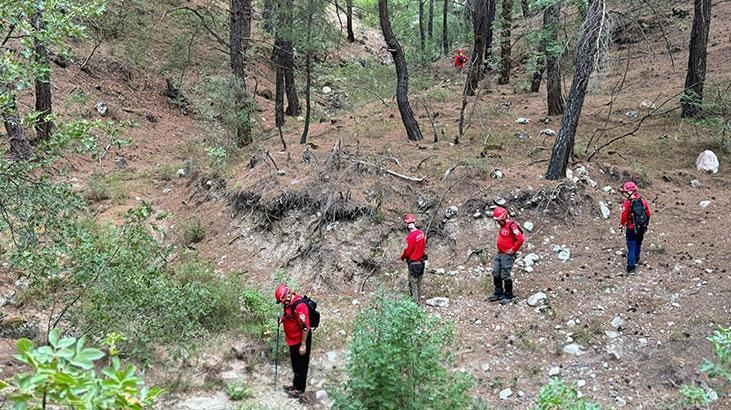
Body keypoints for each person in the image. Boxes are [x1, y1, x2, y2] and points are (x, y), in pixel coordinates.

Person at [275, 284, 312, 398]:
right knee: (295, 364)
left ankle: (300, 390)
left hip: (301, 339)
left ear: (288, 295)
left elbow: (305, 327)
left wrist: (303, 345)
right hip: (292, 339)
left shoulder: (299, 306)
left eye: (282, 300)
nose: (282, 303)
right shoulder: (288, 303)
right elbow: (289, 315)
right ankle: (295, 385)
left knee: (301, 365)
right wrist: (282, 319)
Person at [488, 207, 524, 305]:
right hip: (500, 253)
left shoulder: (512, 226)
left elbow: (520, 239)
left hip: (507, 255)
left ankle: (508, 295)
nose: (498, 223)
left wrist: (513, 249)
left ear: (504, 217)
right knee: (496, 272)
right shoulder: (502, 225)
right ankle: (498, 293)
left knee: (505, 274)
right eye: (497, 221)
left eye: (499, 221)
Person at [619, 181, 651, 273]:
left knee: (631, 246)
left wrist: (621, 225)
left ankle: (631, 266)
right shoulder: (643, 201)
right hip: (641, 227)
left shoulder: (627, 203)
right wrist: (645, 224)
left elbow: (624, 216)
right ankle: (637, 258)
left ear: (628, 192)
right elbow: (648, 213)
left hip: (631, 228)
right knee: (638, 243)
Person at [400, 213, 426, 304]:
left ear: (407, 225)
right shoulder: (421, 233)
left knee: (413, 285)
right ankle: (418, 301)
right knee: (418, 284)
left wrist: (402, 257)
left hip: (414, 264)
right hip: (421, 263)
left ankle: (415, 305)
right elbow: (423, 247)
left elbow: (407, 251)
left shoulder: (410, 237)